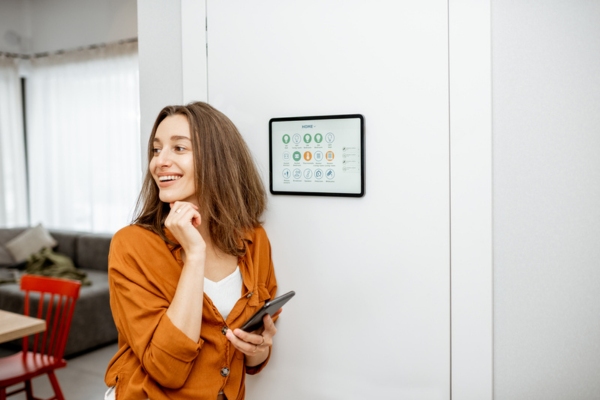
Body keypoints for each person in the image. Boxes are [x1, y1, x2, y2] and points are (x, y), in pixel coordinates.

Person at [104, 102, 279, 400]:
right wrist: (195, 255)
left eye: (179, 148)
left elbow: (253, 346)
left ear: (217, 159)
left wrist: (258, 352)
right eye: (156, 150)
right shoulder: (131, 245)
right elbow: (166, 370)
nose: (160, 161)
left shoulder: (253, 240)